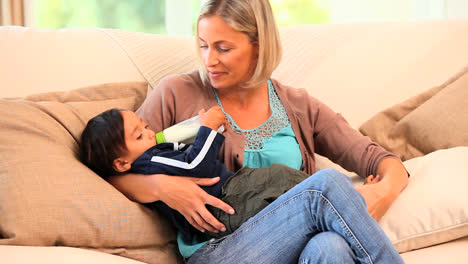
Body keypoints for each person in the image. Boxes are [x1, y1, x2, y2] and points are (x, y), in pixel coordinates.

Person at [107, 0, 409, 263]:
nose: (209, 60)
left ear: (258, 46)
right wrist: (163, 188)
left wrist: (384, 190)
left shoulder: (299, 105)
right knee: (325, 186)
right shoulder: (176, 92)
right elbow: (115, 167)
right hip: (219, 250)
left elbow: (380, 160)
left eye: (223, 48)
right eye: (203, 45)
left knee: (331, 246)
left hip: (295, 249)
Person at [80, 106, 317, 241]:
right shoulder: (149, 160)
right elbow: (194, 166)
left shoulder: (153, 156)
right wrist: (208, 128)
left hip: (230, 201)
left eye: (146, 126)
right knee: (281, 177)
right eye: (139, 135)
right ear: (121, 164)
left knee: (285, 186)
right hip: (226, 201)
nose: (150, 133)